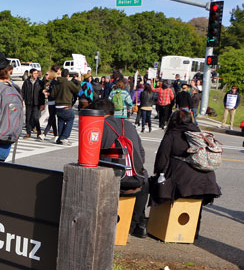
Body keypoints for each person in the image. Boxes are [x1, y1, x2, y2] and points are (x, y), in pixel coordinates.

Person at [152, 110, 221, 238]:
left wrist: (159, 173)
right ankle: (193, 232)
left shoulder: (172, 134)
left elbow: (162, 158)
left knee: (160, 186)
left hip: (182, 182)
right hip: (207, 182)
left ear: (173, 121)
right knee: (195, 203)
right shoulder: (200, 134)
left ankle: (163, 227)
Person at [93, 99, 149, 238]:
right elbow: (141, 154)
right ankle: (137, 224)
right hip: (136, 179)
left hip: (111, 181)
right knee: (145, 178)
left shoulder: (98, 126)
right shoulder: (128, 125)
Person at [54, 68, 80, 145]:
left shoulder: (57, 83)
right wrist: (78, 81)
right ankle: (64, 137)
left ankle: (59, 138)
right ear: (68, 76)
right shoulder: (68, 83)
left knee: (61, 121)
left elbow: (52, 94)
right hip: (66, 105)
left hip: (58, 106)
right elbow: (77, 90)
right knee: (70, 119)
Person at [21, 68, 45, 140]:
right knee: (28, 118)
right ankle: (28, 133)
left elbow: (42, 94)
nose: (36, 75)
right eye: (34, 73)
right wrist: (22, 101)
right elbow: (23, 92)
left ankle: (38, 132)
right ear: (31, 74)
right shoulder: (26, 82)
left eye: (37, 73)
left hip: (37, 103)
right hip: (28, 102)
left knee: (35, 118)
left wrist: (42, 104)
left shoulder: (40, 82)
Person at [42, 65, 61, 139]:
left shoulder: (56, 81)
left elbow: (55, 92)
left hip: (55, 101)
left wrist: (48, 92)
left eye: (47, 74)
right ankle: (56, 134)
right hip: (50, 101)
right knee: (52, 118)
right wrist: (46, 91)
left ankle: (44, 134)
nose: (46, 76)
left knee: (51, 117)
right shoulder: (51, 81)